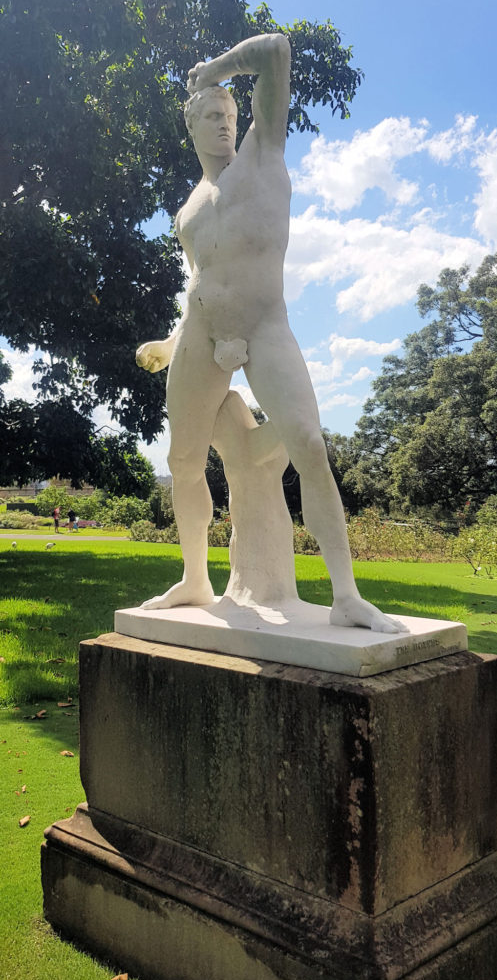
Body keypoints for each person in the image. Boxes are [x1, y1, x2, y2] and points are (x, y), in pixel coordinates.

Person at [136, 34, 403, 633]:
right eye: (211, 115)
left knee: (307, 444)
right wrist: (172, 344)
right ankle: (195, 578)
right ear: (193, 128)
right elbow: (203, 285)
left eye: (229, 113)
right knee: (182, 458)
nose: (224, 123)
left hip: (267, 324)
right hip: (202, 335)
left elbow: (278, 51)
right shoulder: (189, 211)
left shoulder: (264, 154)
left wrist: (219, 68)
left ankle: (345, 595)